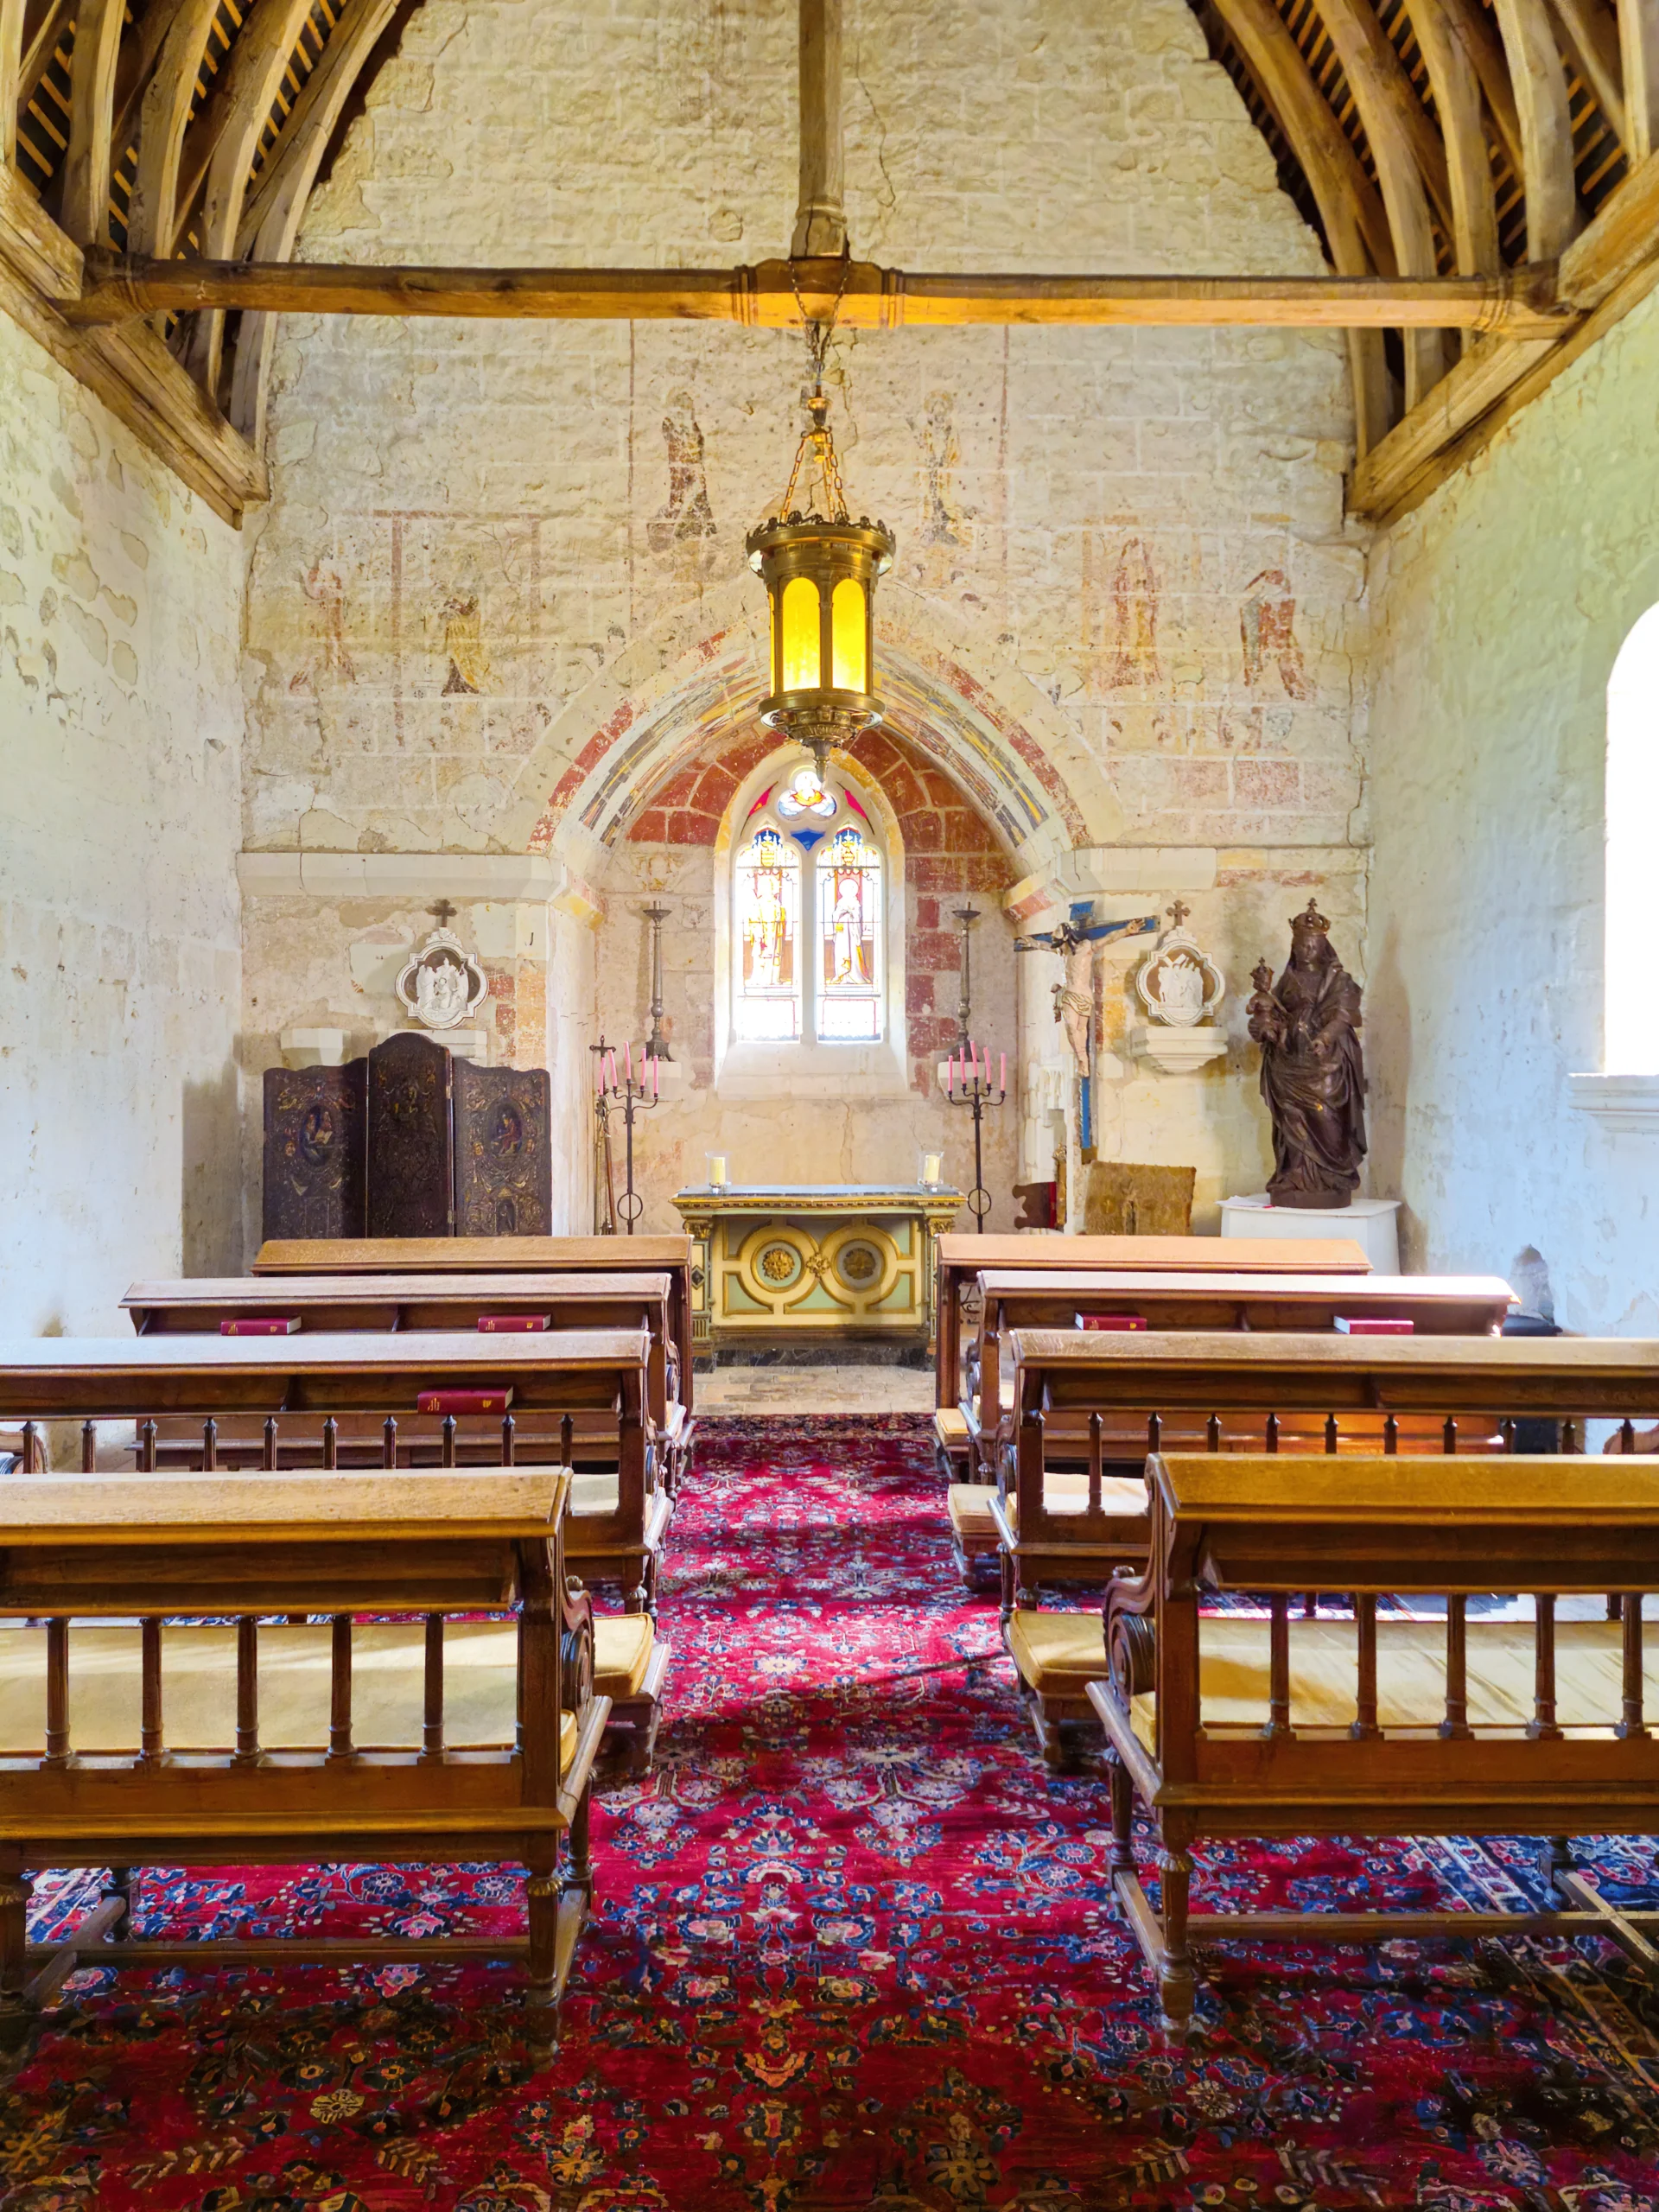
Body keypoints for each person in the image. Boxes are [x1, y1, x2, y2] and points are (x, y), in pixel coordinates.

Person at [1247, 899, 1366, 1208]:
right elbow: (1273, 1016)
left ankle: (1332, 1176)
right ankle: (1295, 1176)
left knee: (1326, 1118)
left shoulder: (1340, 981)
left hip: (1327, 1064)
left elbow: (1343, 1015)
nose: (1305, 950)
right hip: (1288, 1065)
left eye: (1312, 945)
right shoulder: (1285, 982)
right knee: (1292, 1121)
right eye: (1300, 945)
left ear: (1323, 946)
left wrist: (1325, 1038)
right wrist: (1266, 1028)